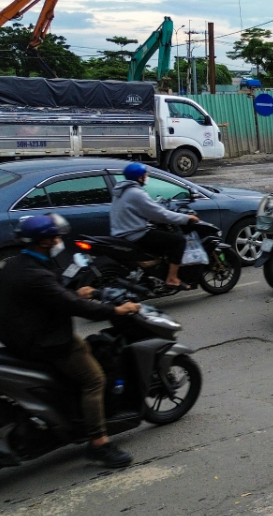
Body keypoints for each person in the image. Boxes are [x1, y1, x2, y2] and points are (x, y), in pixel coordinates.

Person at [0, 214, 141, 468]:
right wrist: (115, 311)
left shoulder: (16, 264)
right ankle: (99, 443)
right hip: (47, 340)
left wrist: (74, 292)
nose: (58, 240)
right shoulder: (37, 274)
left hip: (21, 335)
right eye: (54, 237)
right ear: (44, 242)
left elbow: (48, 296)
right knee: (94, 379)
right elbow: (73, 306)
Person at [110, 163, 200, 290]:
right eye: (145, 175)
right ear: (140, 177)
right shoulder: (136, 193)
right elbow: (160, 214)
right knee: (178, 241)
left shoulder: (120, 191)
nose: (147, 177)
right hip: (135, 234)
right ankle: (172, 278)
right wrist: (186, 218)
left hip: (121, 232)